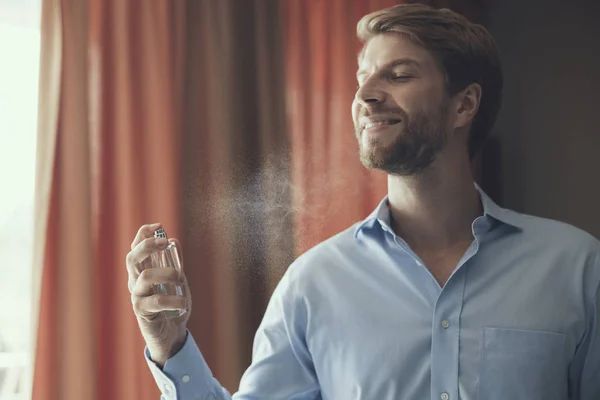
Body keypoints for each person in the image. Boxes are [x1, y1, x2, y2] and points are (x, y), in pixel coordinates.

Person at [126, 3, 600, 399]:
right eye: (363, 77)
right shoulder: (311, 286)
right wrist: (170, 345)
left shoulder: (576, 270)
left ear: (464, 105)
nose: (366, 95)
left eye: (398, 75)